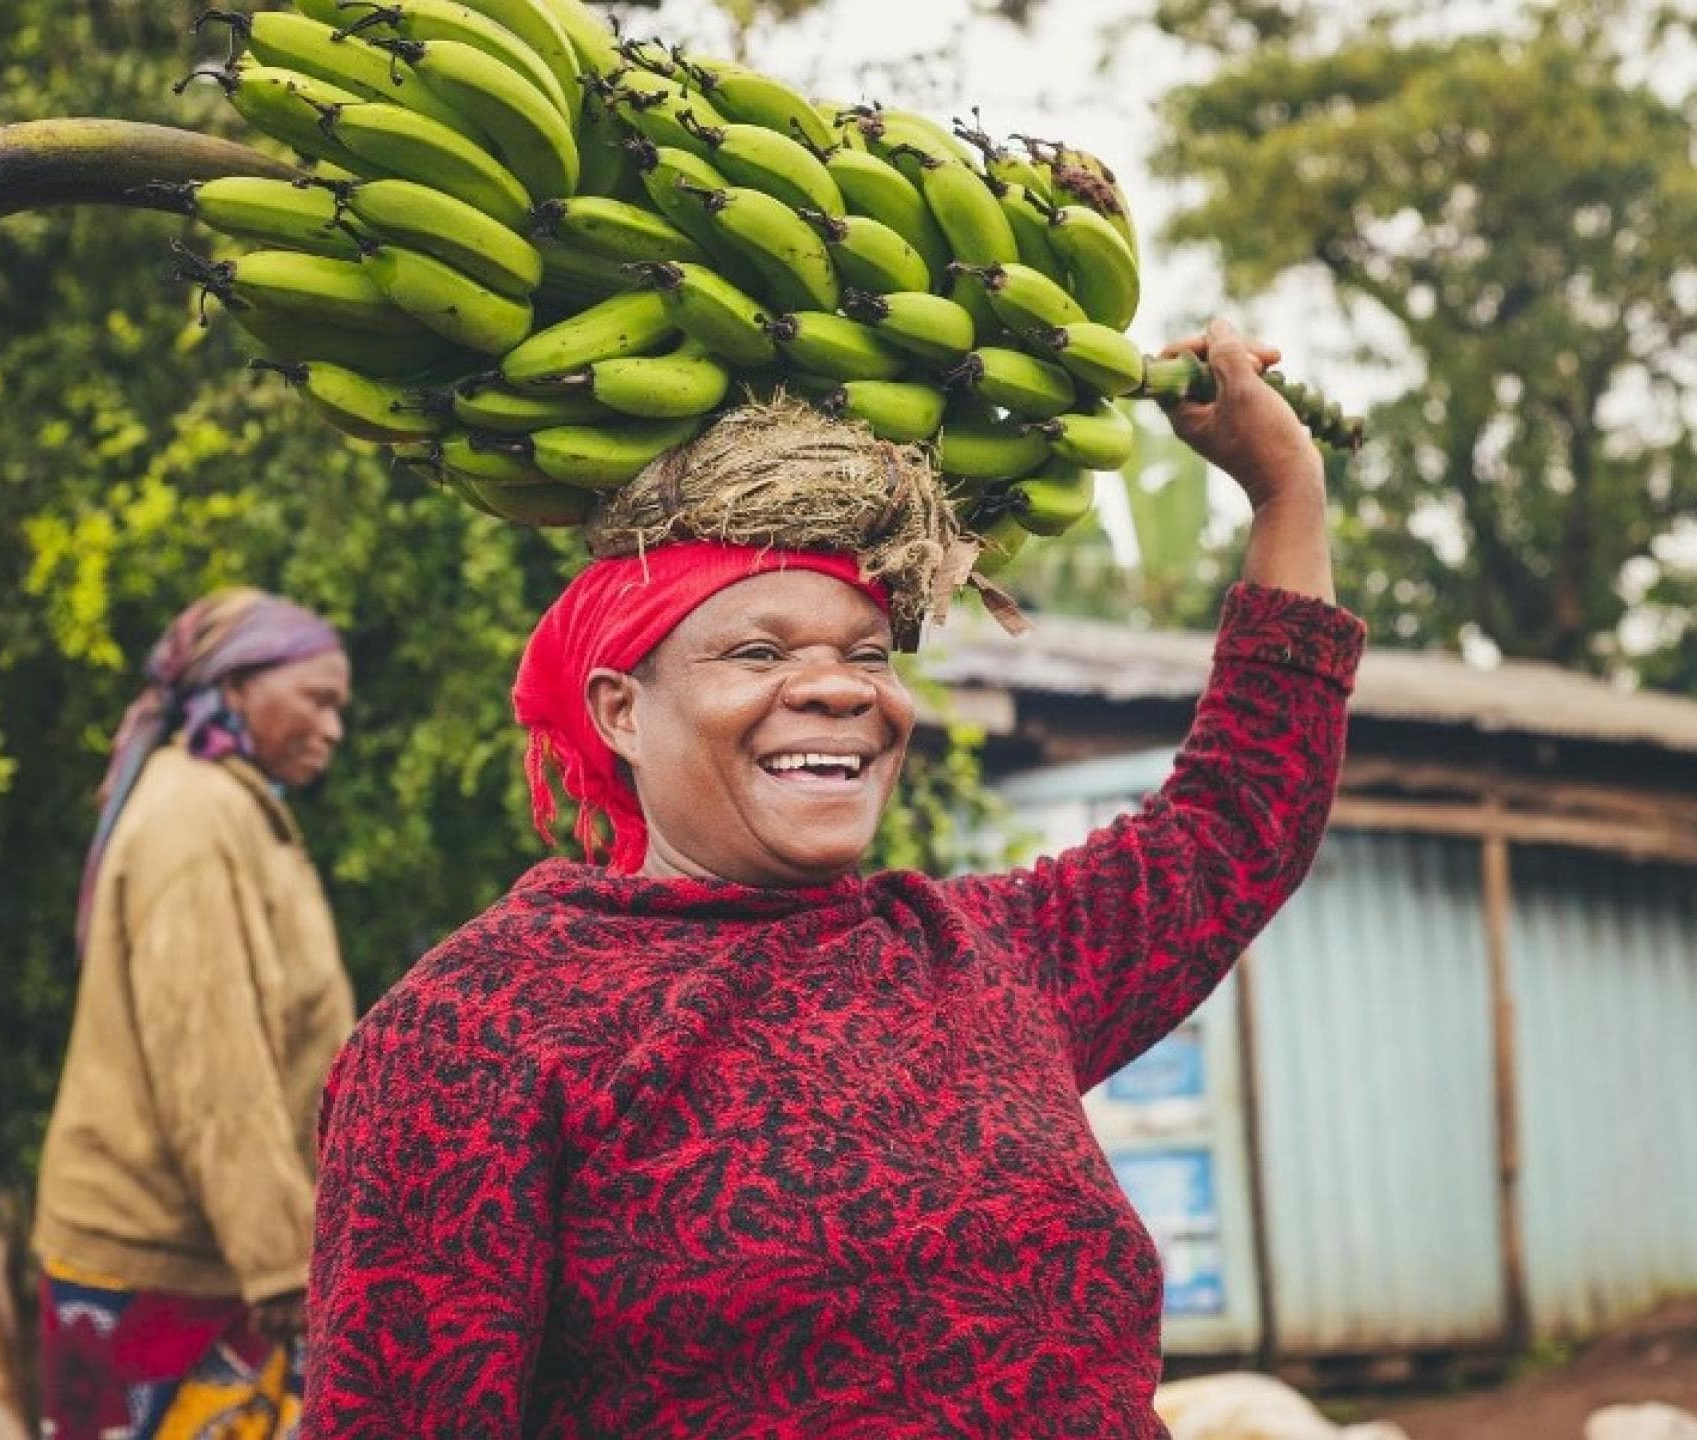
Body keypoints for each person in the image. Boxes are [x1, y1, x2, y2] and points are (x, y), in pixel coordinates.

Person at [305, 319, 1367, 1438]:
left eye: (865, 653)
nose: (839, 689)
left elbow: (1238, 817)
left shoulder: (977, 955)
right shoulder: (478, 1032)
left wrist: (1284, 489)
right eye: (759, 654)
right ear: (621, 710)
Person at [33, 587, 356, 1440]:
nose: (333, 729)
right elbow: (214, 1066)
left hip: (203, 1252)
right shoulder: (195, 820)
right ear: (239, 684)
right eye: (318, 701)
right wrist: (284, 1266)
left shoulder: (232, 806)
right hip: (167, 1262)